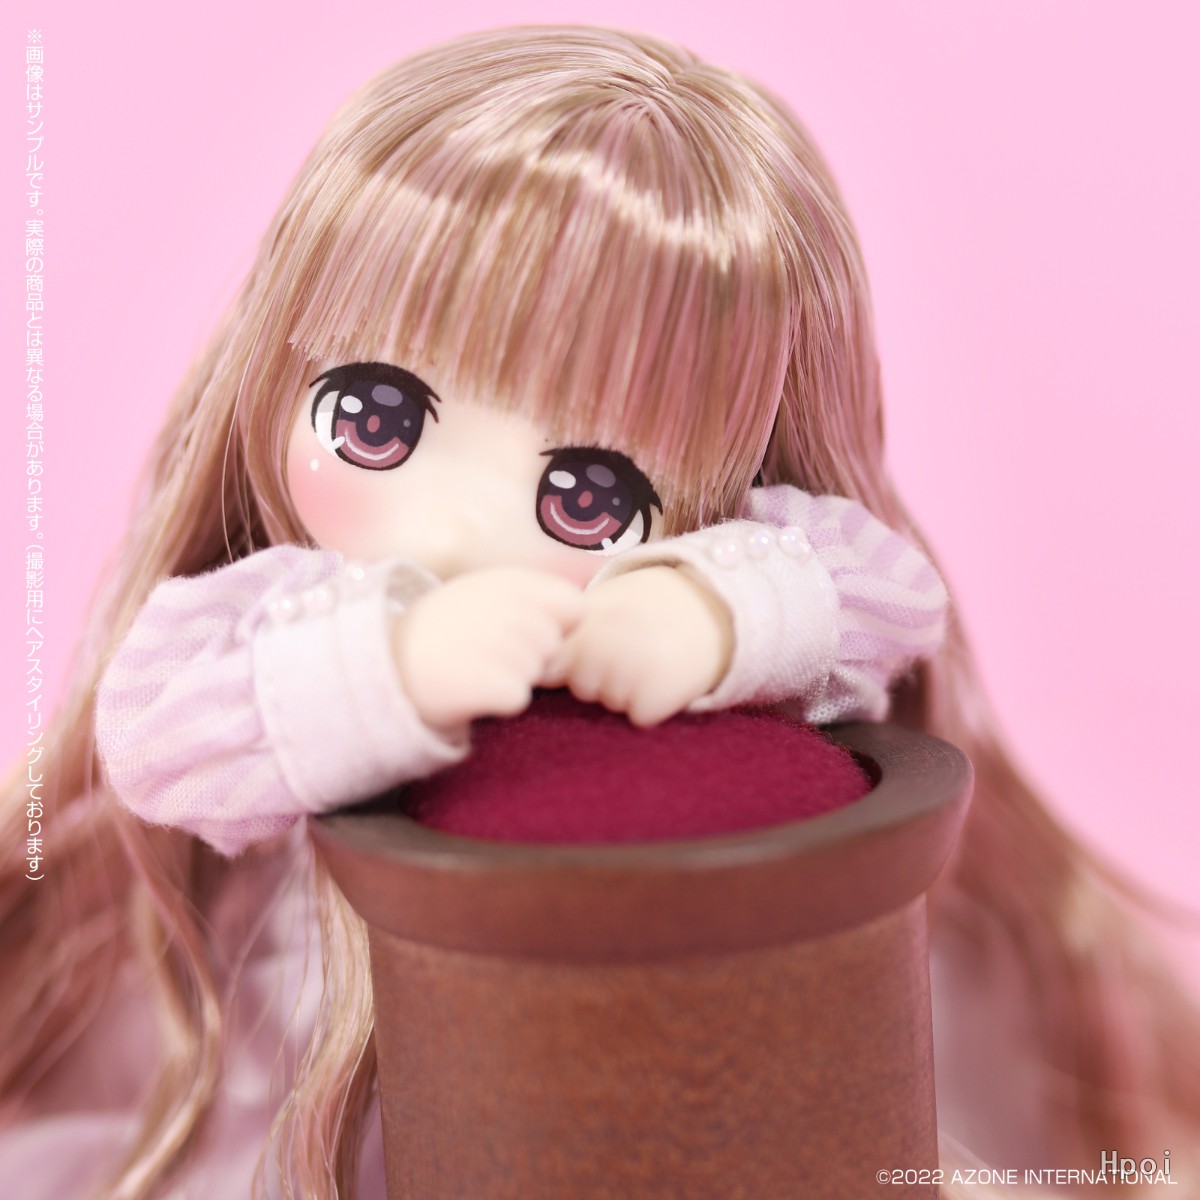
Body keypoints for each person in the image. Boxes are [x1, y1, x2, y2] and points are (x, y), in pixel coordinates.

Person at [1, 27, 1195, 1199]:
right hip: (299, 1102)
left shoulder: (698, 560)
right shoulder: (287, 613)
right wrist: (387, 665)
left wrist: (713, 609)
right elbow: (157, 730)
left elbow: (887, 588)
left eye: (587, 495)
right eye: (377, 419)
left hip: (649, 1084)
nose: (456, 528)